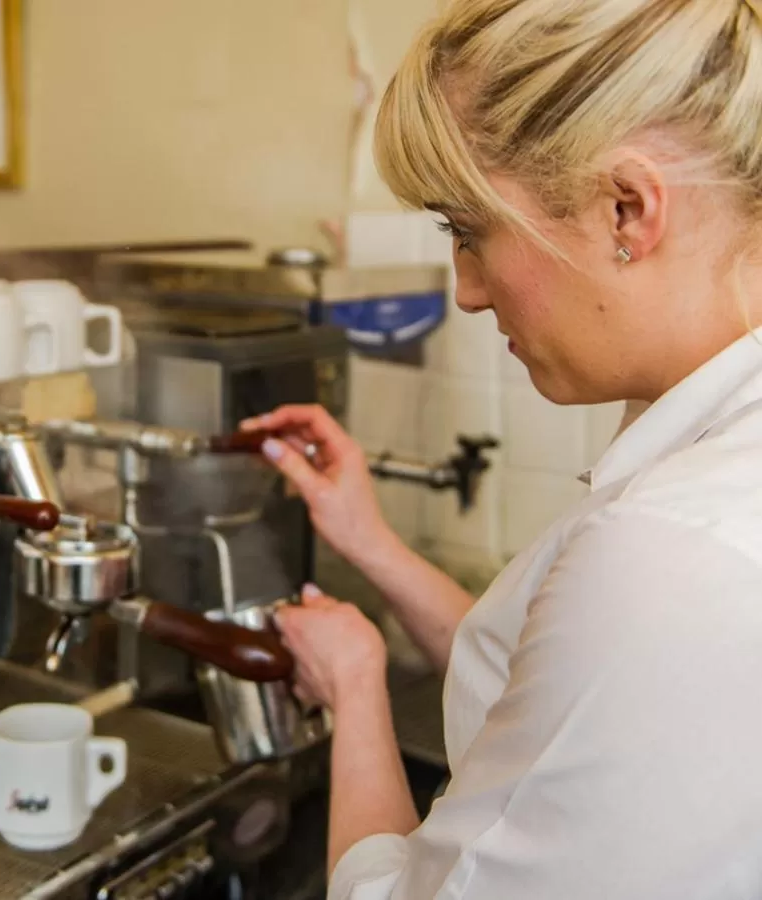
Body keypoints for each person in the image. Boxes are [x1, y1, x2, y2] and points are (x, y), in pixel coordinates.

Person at [242, 1, 762, 897]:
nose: (467, 291)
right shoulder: (708, 461)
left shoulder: (673, 551)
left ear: (626, 210)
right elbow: (560, 694)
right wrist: (370, 542)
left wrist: (355, 693)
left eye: (466, 231)